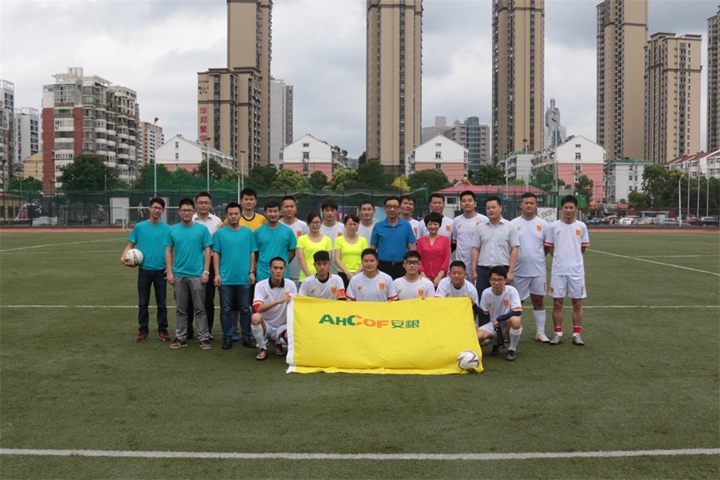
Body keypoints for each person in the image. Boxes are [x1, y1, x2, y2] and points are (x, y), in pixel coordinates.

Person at [165, 198, 213, 350]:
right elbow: (168, 251)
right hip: (179, 275)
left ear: (194, 212)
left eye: (189, 210)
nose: (186, 213)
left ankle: (204, 338)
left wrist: (206, 271)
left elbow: (208, 250)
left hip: (197, 275)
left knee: (200, 308)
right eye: (184, 210)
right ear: (179, 212)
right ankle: (181, 337)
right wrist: (170, 272)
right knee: (181, 309)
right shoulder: (172, 230)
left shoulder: (202, 230)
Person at [121, 197, 171, 342]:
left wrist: (169, 269)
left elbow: (170, 250)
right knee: (143, 302)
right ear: (149, 208)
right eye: (154, 207)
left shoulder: (167, 229)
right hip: (144, 271)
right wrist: (123, 256)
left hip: (161, 271)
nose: (157, 210)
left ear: (163, 210)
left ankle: (163, 330)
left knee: (162, 303)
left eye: (159, 208)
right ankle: (143, 330)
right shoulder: (140, 227)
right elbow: (131, 245)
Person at [545, 195, 590, 346]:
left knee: (577, 303)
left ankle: (577, 334)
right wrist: (559, 259)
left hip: (576, 272)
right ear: (561, 209)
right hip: (558, 271)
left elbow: (582, 248)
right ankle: (558, 334)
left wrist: (573, 260)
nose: (569, 210)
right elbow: (550, 247)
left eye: (571, 207)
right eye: (566, 207)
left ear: (576, 209)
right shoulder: (553, 226)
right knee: (557, 303)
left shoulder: (581, 226)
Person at [213, 202, 257, 350]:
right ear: (226, 216)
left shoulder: (248, 232)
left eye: (236, 213)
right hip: (225, 279)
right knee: (225, 309)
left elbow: (252, 252)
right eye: (230, 214)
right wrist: (217, 274)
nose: (233, 216)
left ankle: (246, 337)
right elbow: (216, 254)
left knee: (245, 309)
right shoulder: (220, 234)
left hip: (244, 278)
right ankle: (227, 337)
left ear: (240, 215)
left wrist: (251, 272)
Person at [511, 192, 551, 343]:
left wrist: (536, 257)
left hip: (538, 270)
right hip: (518, 271)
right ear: (521, 205)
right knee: (517, 303)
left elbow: (546, 247)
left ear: (536, 205)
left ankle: (540, 332)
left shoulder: (544, 225)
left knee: (538, 300)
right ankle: (515, 330)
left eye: (531, 203)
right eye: (526, 203)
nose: (529, 205)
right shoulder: (513, 224)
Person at [470, 195, 519, 298]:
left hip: (502, 269)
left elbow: (514, 249)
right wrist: (474, 271)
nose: (491, 210)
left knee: (503, 299)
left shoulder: (510, 227)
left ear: (500, 208)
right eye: (488, 208)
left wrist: (510, 272)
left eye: (493, 207)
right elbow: (475, 249)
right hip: (483, 270)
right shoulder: (480, 227)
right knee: (482, 298)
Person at [189, 191, 222, 339]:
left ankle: (207, 330)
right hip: (192, 262)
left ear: (210, 204)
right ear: (196, 204)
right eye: (201, 202)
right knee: (190, 299)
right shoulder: (190, 219)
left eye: (206, 203)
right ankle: (188, 330)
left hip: (211, 263)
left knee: (208, 298)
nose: (203, 205)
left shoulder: (217, 221)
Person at [251, 257, 297, 360]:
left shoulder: (291, 284)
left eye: (281, 268)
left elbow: (296, 307)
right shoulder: (260, 285)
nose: (278, 271)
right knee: (255, 317)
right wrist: (278, 301)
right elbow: (257, 308)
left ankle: (278, 342)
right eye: (275, 268)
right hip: (266, 325)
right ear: (270, 269)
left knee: (289, 338)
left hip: (283, 326)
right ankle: (263, 348)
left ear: (285, 270)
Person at [477, 266, 523, 361]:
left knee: (515, 320)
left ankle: (512, 349)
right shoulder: (486, 293)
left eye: (500, 280)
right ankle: (496, 343)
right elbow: (484, 313)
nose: (496, 283)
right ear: (490, 280)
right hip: (493, 324)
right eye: (493, 280)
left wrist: (500, 319)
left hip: (507, 324)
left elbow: (518, 311)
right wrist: (473, 305)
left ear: (505, 280)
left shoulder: (512, 291)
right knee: (478, 337)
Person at [370, 196, 416, 279]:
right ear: (384, 208)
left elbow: (411, 247)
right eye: (389, 206)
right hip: (382, 266)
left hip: (401, 266)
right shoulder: (378, 226)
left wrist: (411, 264)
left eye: (395, 207)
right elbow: (373, 247)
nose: (392, 209)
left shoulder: (406, 225)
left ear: (399, 208)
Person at [254, 200, 297, 283]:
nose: (273, 214)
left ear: (280, 212)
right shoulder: (258, 232)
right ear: (265, 213)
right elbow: (255, 253)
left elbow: (292, 252)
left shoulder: (288, 231)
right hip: (263, 275)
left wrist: (282, 264)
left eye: (275, 211)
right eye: (270, 211)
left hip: (282, 276)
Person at [435, 260, 483, 325]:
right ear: (449, 274)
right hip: (446, 317)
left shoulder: (471, 289)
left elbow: (474, 313)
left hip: (464, 320)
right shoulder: (443, 283)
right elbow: (437, 303)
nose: (456, 276)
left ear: (465, 275)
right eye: (454, 273)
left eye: (460, 273)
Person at [452, 190, 488, 272]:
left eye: (470, 200)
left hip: (478, 263)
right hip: (461, 263)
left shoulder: (484, 220)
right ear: (460, 204)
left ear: (475, 204)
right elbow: (456, 240)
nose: (467, 203)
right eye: (464, 201)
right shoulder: (456, 221)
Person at [415, 212, 451, 288]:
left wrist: (440, 275)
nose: (432, 226)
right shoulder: (421, 241)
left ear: (439, 225)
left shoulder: (445, 240)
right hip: (424, 277)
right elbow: (418, 259)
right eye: (430, 224)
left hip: (440, 278)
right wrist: (423, 275)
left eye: (435, 224)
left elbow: (446, 258)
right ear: (426, 225)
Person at [280, 195, 309, 287]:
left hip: (299, 274)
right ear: (281, 209)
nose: (289, 209)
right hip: (280, 274)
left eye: (291, 206)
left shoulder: (303, 226)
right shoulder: (277, 225)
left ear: (295, 209)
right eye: (286, 207)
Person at [297, 212, 333, 283]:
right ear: (308, 224)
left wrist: (322, 275)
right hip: (305, 277)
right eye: (312, 223)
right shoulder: (301, 239)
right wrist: (309, 276)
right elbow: (301, 258)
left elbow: (329, 259)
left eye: (317, 222)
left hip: (323, 277)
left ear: (321, 223)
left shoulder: (327, 240)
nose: (315, 225)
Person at [334, 214, 368, 289]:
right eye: (350, 224)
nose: (352, 227)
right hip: (343, 274)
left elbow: (365, 259)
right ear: (345, 225)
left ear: (358, 225)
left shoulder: (363, 240)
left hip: (360, 274)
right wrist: (348, 273)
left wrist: (356, 273)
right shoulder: (339, 240)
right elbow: (337, 259)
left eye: (355, 224)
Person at [320, 198, 346, 274]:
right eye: (327, 210)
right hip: (321, 269)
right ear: (322, 211)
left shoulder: (343, 228)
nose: (330, 213)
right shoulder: (318, 229)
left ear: (336, 211)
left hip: (340, 269)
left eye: (332, 210)